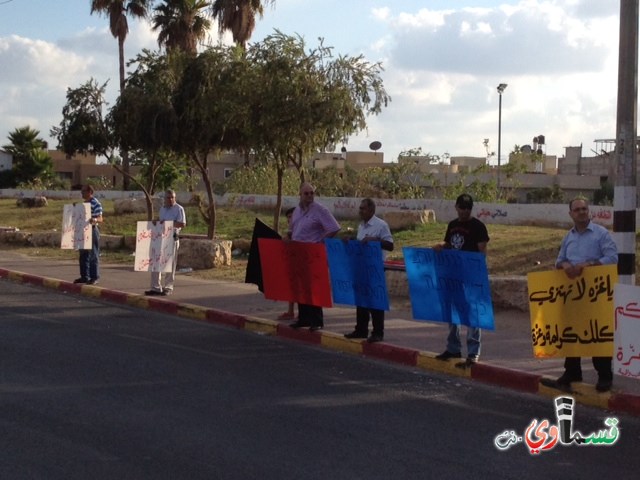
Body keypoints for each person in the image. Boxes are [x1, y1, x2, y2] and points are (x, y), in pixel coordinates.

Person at [552, 197, 618, 392]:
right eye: (577, 209)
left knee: (597, 334)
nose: (582, 212)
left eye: (584, 208)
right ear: (571, 214)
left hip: (595, 294)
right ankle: (572, 371)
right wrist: (565, 266)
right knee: (572, 334)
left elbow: (612, 257)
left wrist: (587, 265)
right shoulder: (569, 237)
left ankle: (604, 375)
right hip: (573, 296)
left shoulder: (600, 234)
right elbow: (559, 260)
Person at [433, 193, 489, 367]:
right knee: (452, 312)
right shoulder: (452, 225)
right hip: (453, 274)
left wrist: (477, 273)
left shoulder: (478, 226)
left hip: (470, 275)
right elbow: (450, 244)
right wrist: (441, 246)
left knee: (472, 313)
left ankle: (473, 352)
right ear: (456, 207)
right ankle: (453, 347)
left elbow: (482, 252)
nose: (464, 211)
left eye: (468, 208)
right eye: (462, 207)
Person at [288, 182, 341, 331]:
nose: (310, 196)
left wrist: (319, 241)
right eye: (306, 193)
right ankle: (303, 318)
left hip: (312, 253)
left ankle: (316, 320)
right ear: (300, 194)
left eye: (312, 193)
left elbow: (334, 227)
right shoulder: (297, 210)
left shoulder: (320, 210)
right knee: (301, 286)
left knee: (314, 287)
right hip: (298, 252)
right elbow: (293, 228)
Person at [344, 198, 394, 343]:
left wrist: (375, 240)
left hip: (375, 267)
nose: (361, 211)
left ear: (371, 210)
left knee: (375, 301)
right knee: (361, 299)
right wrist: (351, 241)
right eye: (360, 208)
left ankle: (378, 332)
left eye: (363, 208)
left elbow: (390, 245)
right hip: (362, 267)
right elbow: (361, 244)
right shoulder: (361, 226)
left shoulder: (381, 225)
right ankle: (361, 329)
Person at [145, 189, 186, 296]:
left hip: (172, 237)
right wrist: (156, 222)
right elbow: (161, 222)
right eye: (168, 197)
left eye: (172, 197)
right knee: (156, 261)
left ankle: (168, 287)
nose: (170, 199)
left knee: (170, 264)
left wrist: (169, 224)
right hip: (160, 238)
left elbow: (182, 224)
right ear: (165, 199)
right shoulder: (162, 209)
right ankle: (155, 287)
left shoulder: (179, 209)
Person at [73, 184, 103, 285]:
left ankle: (94, 277)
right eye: (81, 191)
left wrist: (93, 219)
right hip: (83, 230)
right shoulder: (84, 204)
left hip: (92, 229)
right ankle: (84, 276)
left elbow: (100, 218)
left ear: (90, 192)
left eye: (84, 191)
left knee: (93, 254)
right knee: (83, 254)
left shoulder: (95, 203)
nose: (82, 193)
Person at [278, 207, 297, 320]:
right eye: (288, 217)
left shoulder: (301, 229)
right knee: (292, 287)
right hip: (291, 261)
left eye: (292, 216)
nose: (290, 219)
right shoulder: (290, 231)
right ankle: (290, 311)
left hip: (301, 261)